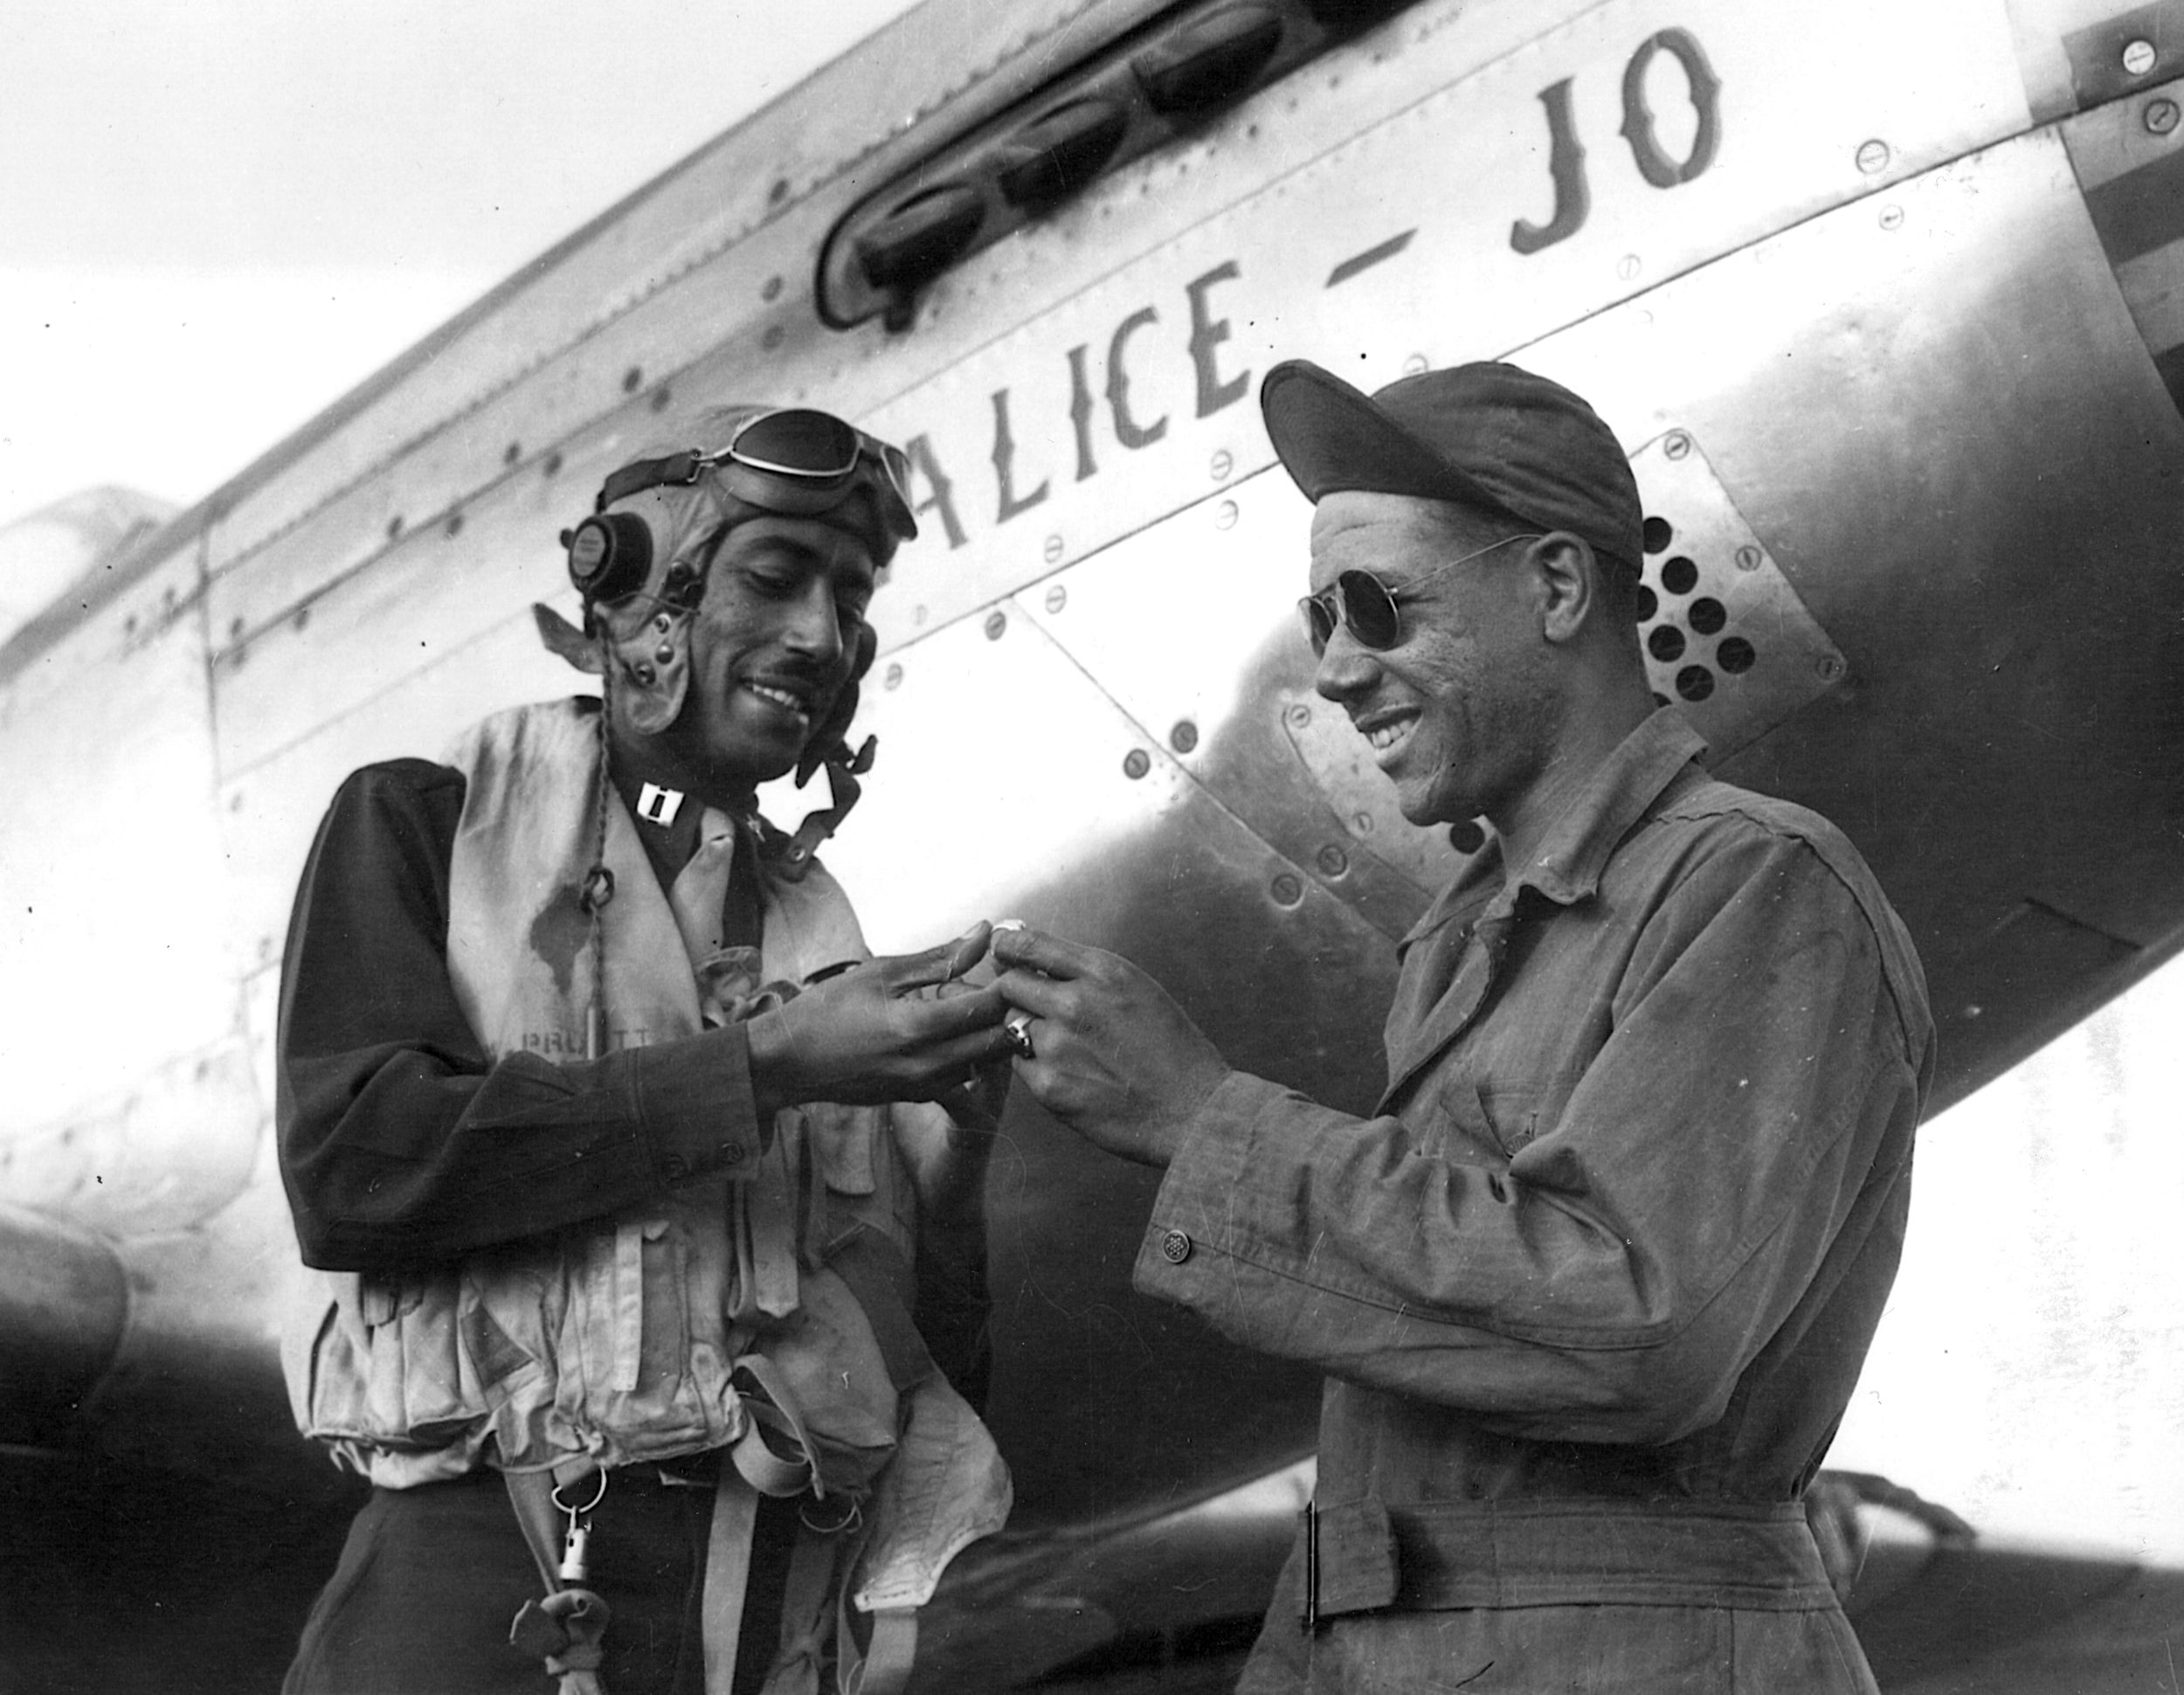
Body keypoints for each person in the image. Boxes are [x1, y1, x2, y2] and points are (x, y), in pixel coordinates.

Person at [989, 359, 1933, 1692]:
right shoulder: (1468, 931)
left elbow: (1639, 1332)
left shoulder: (1758, 882)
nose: (1335, 669)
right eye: (1318, 617)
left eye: (1378, 606)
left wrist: (1203, 1122)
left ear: (1556, 587)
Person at [276, 404, 1017, 1695]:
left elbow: (930, 1370)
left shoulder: (815, 929)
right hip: (480, 1597)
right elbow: (354, 1166)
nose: (821, 639)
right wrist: (773, 1067)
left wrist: (955, 1167)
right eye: (775, 579)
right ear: (644, 604)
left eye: (849, 600)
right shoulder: (420, 823)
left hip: (777, 1618)